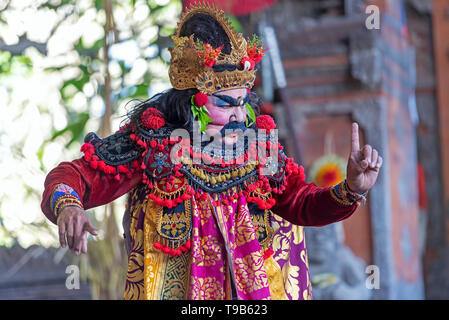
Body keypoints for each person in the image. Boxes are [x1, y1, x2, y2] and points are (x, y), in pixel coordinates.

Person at [41, 2, 383, 300]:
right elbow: (73, 175)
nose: (237, 117)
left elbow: (302, 205)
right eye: (224, 103)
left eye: (242, 104)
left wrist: (350, 189)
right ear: (192, 102)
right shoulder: (154, 145)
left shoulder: (258, 152)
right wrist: (69, 204)